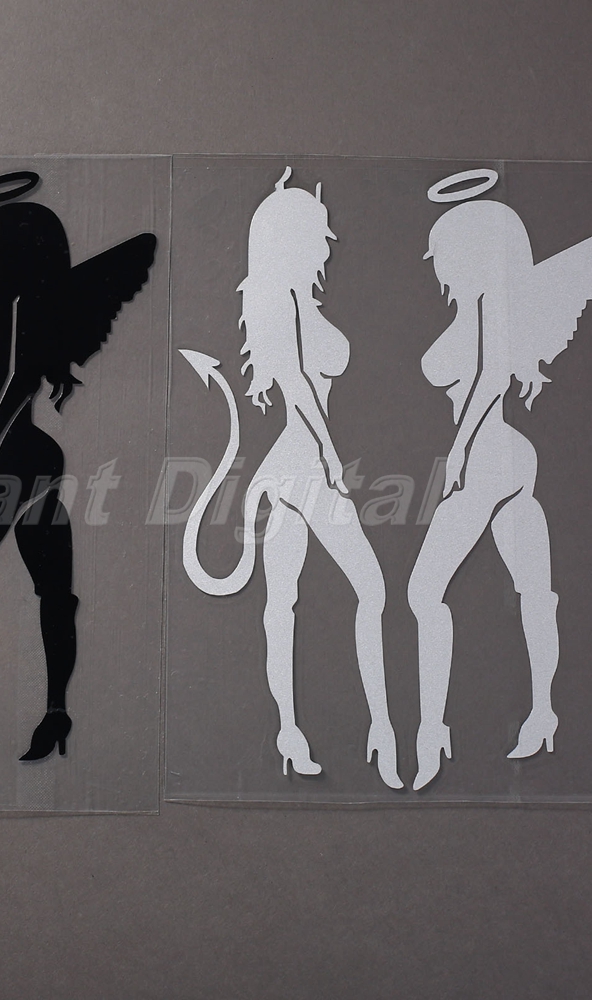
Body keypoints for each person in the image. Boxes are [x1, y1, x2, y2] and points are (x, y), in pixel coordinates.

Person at [0, 173, 156, 792]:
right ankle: (54, 713)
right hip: (34, 460)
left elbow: (16, 383)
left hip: (16, 461)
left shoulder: (26, 311)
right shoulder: (21, 314)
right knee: (52, 590)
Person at [181, 167, 401, 789]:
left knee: (285, 601)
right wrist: (329, 455)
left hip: (291, 462)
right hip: (304, 461)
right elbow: (297, 385)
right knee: (368, 591)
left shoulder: (298, 299)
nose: (325, 247)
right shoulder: (274, 299)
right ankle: (379, 730)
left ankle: (294, 732)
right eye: (316, 236)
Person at [407, 195, 592, 790]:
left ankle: (432, 732)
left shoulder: (487, 303)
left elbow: (491, 377)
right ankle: (544, 713)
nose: (437, 263)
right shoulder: (487, 306)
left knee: (424, 593)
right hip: (510, 456)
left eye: (443, 251)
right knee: (534, 590)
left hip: (488, 456)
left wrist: (459, 451)